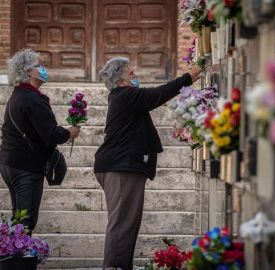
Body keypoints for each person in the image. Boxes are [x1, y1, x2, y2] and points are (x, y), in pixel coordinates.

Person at [94, 57, 201, 270]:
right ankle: (113, 267)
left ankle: (121, 266)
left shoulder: (124, 96)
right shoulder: (125, 95)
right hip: (121, 167)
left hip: (122, 165)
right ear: (120, 79)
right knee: (122, 224)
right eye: (131, 74)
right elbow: (158, 94)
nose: (136, 77)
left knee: (127, 224)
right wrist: (188, 78)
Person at [0, 48, 80, 233]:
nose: (44, 68)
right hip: (25, 167)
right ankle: (16, 258)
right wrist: (69, 132)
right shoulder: (33, 99)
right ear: (28, 71)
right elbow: (50, 134)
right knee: (26, 220)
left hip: (11, 162)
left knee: (18, 217)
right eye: (39, 65)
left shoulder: (18, 95)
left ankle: (13, 256)